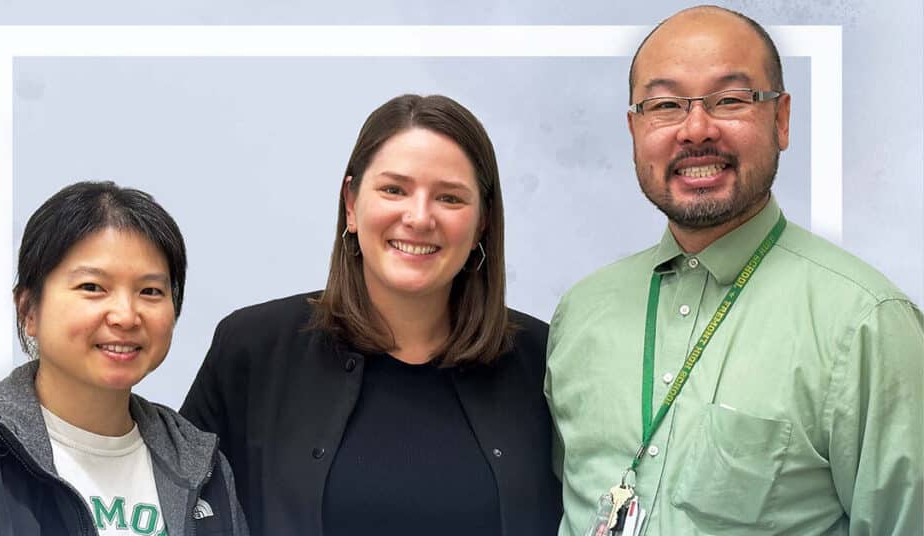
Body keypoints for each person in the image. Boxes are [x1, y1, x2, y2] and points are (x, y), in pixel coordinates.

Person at [545, 5, 924, 536]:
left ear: (781, 118)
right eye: (665, 105)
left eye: (730, 99)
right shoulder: (581, 313)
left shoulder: (866, 324)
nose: (696, 129)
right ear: (635, 128)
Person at [181, 94, 561, 536]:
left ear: (482, 222)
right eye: (394, 189)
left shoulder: (543, 362)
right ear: (351, 203)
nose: (418, 217)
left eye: (450, 198)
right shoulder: (252, 349)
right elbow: (177, 510)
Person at [0, 181, 249, 536]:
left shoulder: (202, 465)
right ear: (28, 310)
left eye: (150, 291)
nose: (126, 316)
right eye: (93, 287)